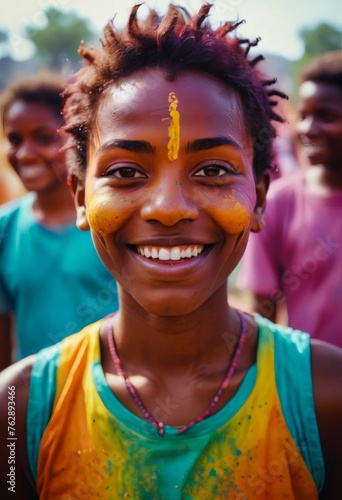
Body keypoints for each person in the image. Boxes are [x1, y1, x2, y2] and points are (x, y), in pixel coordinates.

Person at [1, 5, 342, 498]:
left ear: (261, 197)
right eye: (124, 173)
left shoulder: (324, 399)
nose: (168, 208)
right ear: (80, 197)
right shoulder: (21, 408)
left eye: (212, 171)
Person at [0, 72, 118, 369]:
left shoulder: (109, 219)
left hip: (110, 399)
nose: (25, 154)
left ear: (74, 138)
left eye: (43, 138)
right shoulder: (6, 228)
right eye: (15, 140)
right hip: (34, 406)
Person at [237, 50, 342, 347]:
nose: (308, 128)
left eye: (327, 116)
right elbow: (263, 312)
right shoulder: (277, 203)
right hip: (309, 386)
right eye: (304, 115)